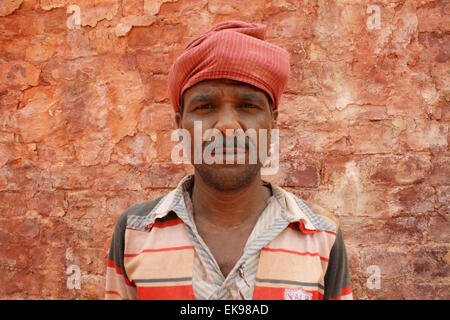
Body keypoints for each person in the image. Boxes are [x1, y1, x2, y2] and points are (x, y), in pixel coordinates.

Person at [105, 20, 352, 300]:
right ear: (180, 126)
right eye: (205, 106)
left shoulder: (321, 235)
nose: (227, 126)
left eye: (248, 105)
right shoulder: (134, 231)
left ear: (272, 123)